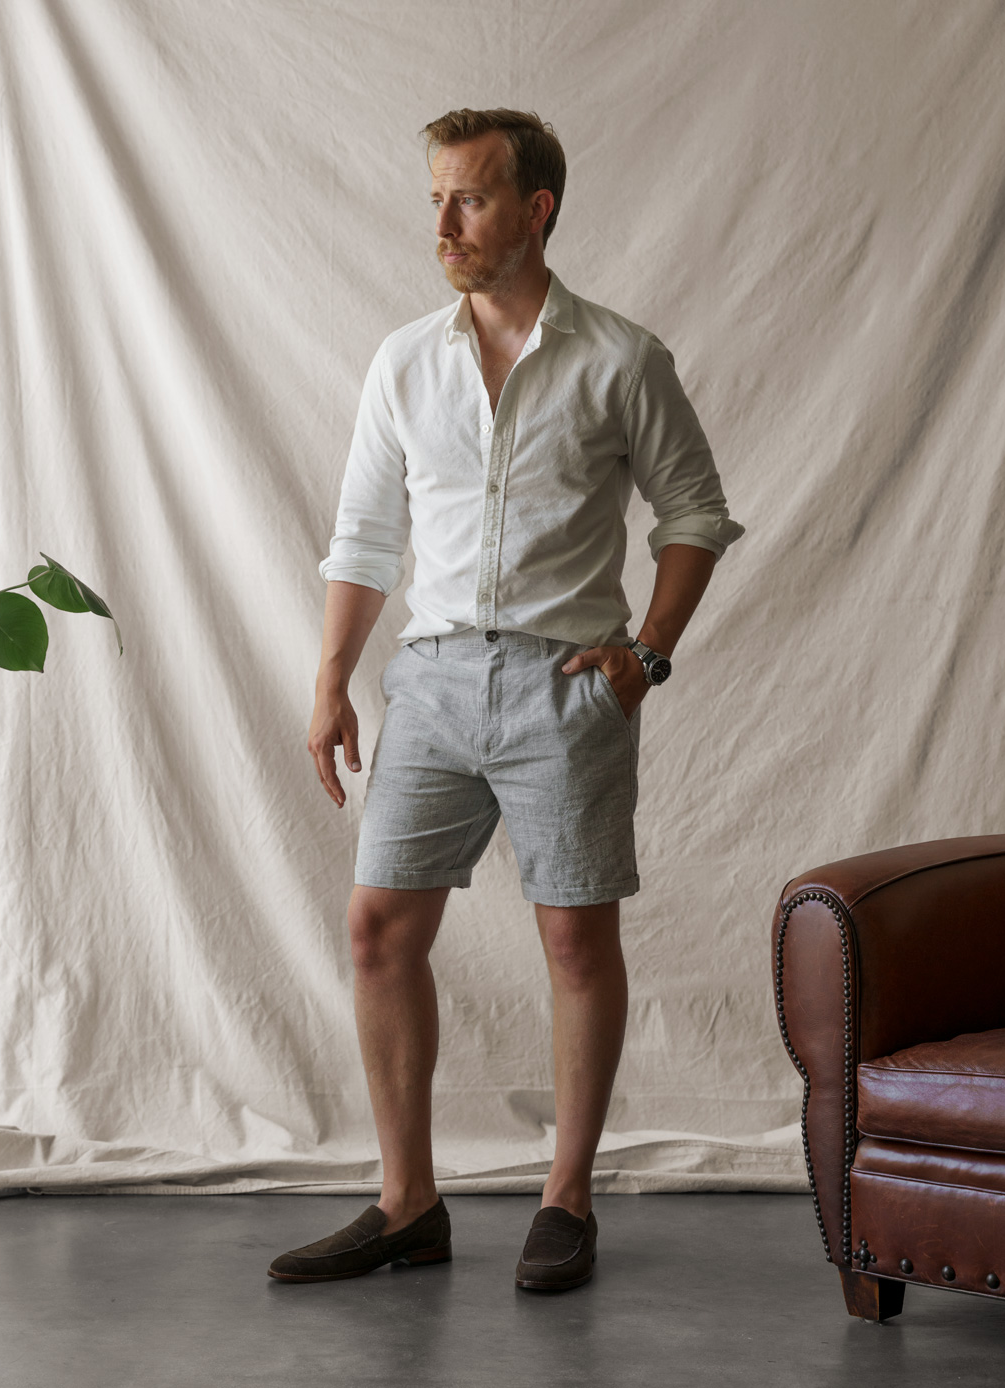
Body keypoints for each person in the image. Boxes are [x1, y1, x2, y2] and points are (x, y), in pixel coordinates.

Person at [268, 108, 744, 1292]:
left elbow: (692, 513)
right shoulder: (403, 360)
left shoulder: (620, 357)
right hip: (429, 680)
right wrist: (330, 679)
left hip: (562, 681)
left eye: (468, 199)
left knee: (574, 938)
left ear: (536, 210)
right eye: (433, 197)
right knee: (378, 928)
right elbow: (365, 534)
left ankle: (565, 1199)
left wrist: (647, 650)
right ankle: (405, 1202)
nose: (441, 224)